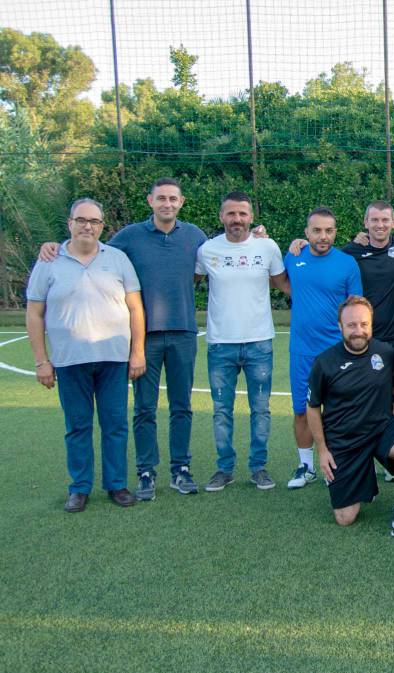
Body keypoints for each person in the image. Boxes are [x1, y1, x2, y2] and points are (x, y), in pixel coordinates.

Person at [38, 177, 207, 500]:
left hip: (184, 332)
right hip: (144, 338)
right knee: (144, 408)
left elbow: (214, 258)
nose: (167, 204)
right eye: (161, 198)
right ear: (150, 200)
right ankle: (146, 471)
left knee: (182, 406)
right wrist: (53, 246)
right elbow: (89, 250)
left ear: (181, 202)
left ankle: (180, 469)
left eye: (173, 198)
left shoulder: (195, 236)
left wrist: (258, 234)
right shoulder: (128, 237)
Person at [25, 198, 146, 511]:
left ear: (102, 227)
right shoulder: (49, 261)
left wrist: (137, 352)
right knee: (77, 426)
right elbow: (35, 313)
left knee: (115, 424)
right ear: (70, 223)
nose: (87, 226)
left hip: (113, 359)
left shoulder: (117, 259)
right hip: (69, 361)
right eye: (81, 220)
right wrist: (41, 360)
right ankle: (79, 488)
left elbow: (135, 308)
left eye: (93, 221)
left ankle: (117, 485)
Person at [306, 296, 394, 535]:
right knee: (345, 518)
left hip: (381, 429)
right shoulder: (325, 362)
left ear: (371, 324)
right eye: (351, 325)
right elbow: (312, 407)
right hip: (344, 440)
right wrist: (322, 450)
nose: (358, 331)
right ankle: (363, 480)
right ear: (340, 326)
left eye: (364, 324)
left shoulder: (385, 352)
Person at [194, 191, 288, 492]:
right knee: (222, 410)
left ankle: (258, 467)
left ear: (251, 217)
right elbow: (188, 283)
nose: (237, 219)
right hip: (221, 344)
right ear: (222, 216)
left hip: (260, 343)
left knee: (260, 409)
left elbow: (285, 284)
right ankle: (225, 469)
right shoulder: (207, 250)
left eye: (242, 214)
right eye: (231, 214)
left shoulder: (268, 247)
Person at [282, 207, 362, 489]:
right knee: (302, 410)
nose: (323, 236)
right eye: (317, 230)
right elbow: (280, 281)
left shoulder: (347, 263)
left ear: (335, 232)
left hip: (336, 351)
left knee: (339, 410)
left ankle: (338, 466)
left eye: (329, 230)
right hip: (302, 350)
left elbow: (355, 307)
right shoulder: (293, 257)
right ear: (306, 233)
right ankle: (306, 467)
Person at [341, 201, 394, 426]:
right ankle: (363, 453)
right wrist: (301, 244)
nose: (380, 225)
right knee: (365, 401)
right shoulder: (351, 251)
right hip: (365, 340)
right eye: (374, 220)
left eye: (385, 220)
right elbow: (324, 257)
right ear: (365, 223)